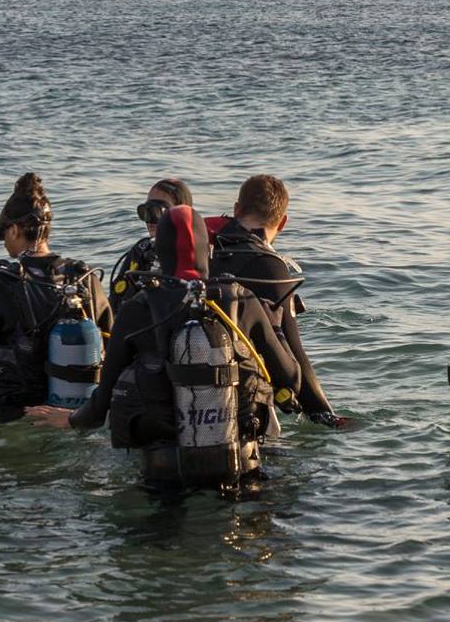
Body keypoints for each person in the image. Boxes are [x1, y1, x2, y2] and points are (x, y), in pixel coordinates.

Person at [30, 205, 297, 483]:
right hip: (238, 470)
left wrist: (70, 419)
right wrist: (276, 328)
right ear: (208, 249)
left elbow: (100, 408)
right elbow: (291, 378)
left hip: (164, 477)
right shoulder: (241, 301)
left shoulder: (138, 309)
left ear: (161, 253)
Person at [0, 174, 112, 410]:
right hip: (76, 412)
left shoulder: (0, 285)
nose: (4, 241)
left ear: (15, 230)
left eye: (3, 232)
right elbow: (113, 348)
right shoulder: (86, 279)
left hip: (15, 412)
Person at [208, 175, 344, 426]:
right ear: (282, 222)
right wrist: (326, 417)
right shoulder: (270, 267)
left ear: (236, 209)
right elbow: (294, 352)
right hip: (240, 400)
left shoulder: (206, 252)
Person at [107, 178, 193, 308]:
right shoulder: (140, 251)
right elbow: (115, 300)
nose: (150, 220)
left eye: (159, 211)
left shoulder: (195, 254)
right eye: (146, 211)